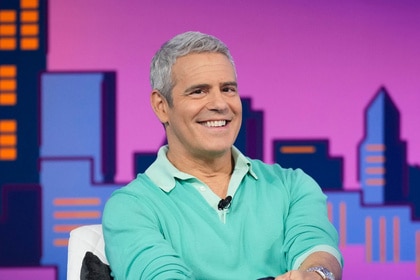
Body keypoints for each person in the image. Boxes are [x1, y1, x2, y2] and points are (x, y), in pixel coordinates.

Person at [102, 31, 343, 280]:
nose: (220, 104)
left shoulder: (292, 186)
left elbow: (317, 249)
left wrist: (316, 275)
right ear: (162, 106)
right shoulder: (131, 207)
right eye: (199, 91)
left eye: (228, 89)